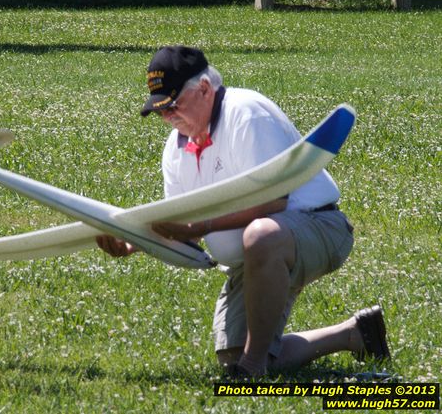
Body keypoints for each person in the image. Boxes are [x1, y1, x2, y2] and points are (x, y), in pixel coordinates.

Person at [96, 46, 390, 377]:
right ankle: (355, 334)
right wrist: (134, 243)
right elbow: (179, 226)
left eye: (173, 106)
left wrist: (203, 226)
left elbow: (275, 202)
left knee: (261, 235)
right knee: (232, 358)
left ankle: (253, 369)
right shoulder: (175, 149)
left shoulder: (247, 114)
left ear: (205, 89)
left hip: (318, 227)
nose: (168, 118)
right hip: (250, 257)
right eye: (160, 111)